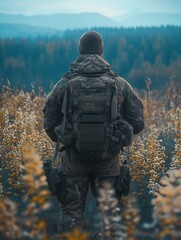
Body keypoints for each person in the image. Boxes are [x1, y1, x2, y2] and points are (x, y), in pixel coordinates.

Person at [43, 31, 144, 233]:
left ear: (80, 50)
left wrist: (68, 140)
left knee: (71, 213)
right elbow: (138, 122)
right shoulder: (119, 84)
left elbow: (49, 121)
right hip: (109, 161)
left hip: (73, 161)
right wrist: (115, 134)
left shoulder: (64, 84)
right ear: (101, 50)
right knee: (110, 215)